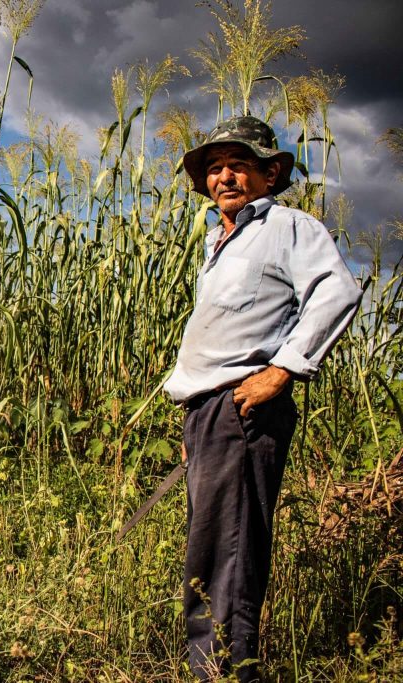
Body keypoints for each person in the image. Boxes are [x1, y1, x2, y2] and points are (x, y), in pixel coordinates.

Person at [163, 115, 362, 682]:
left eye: (240, 166)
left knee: (229, 552)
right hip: (211, 413)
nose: (225, 177)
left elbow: (335, 290)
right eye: (215, 168)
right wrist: (197, 422)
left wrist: (283, 370)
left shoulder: (287, 227)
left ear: (269, 173)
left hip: (244, 405)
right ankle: (212, 667)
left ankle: (224, 674)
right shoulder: (221, 240)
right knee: (209, 547)